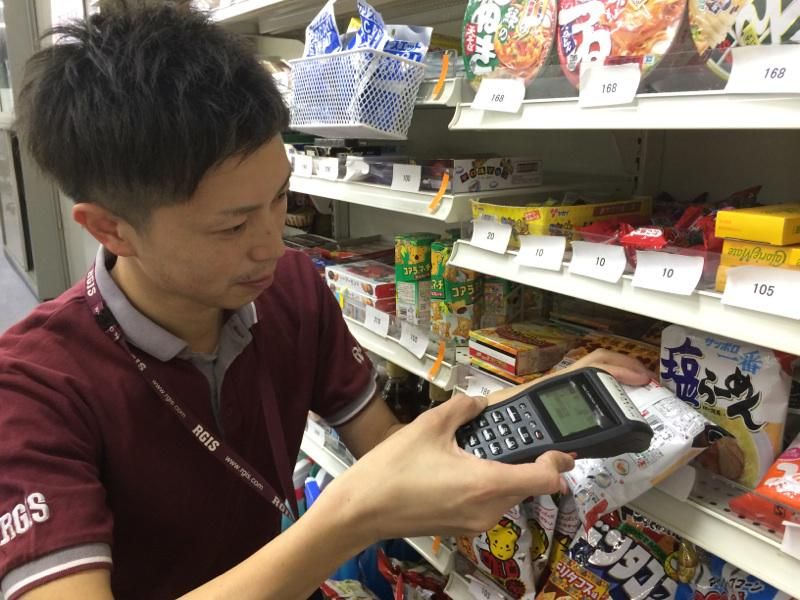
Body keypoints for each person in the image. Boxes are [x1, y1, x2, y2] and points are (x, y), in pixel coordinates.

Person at [0, 3, 652, 599]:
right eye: (232, 226)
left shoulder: (292, 289)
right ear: (110, 229)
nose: (271, 243)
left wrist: (537, 401)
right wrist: (350, 517)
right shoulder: (31, 389)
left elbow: (386, 445)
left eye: (280, 198)